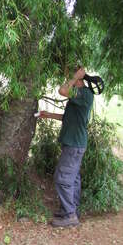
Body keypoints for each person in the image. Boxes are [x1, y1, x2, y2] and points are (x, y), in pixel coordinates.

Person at [39, 67, 94, 228]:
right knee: (73, 178)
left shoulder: (84, 94)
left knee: (62, 178)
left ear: (78, 78)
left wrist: (75, 76)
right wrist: (48, 115)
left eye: (70, 76)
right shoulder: (79, 95)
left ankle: (70, 216)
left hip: (74, 144)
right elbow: (67, 117)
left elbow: (62, 90)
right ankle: (71, 210)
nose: (67, 79)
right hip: (74, 143)